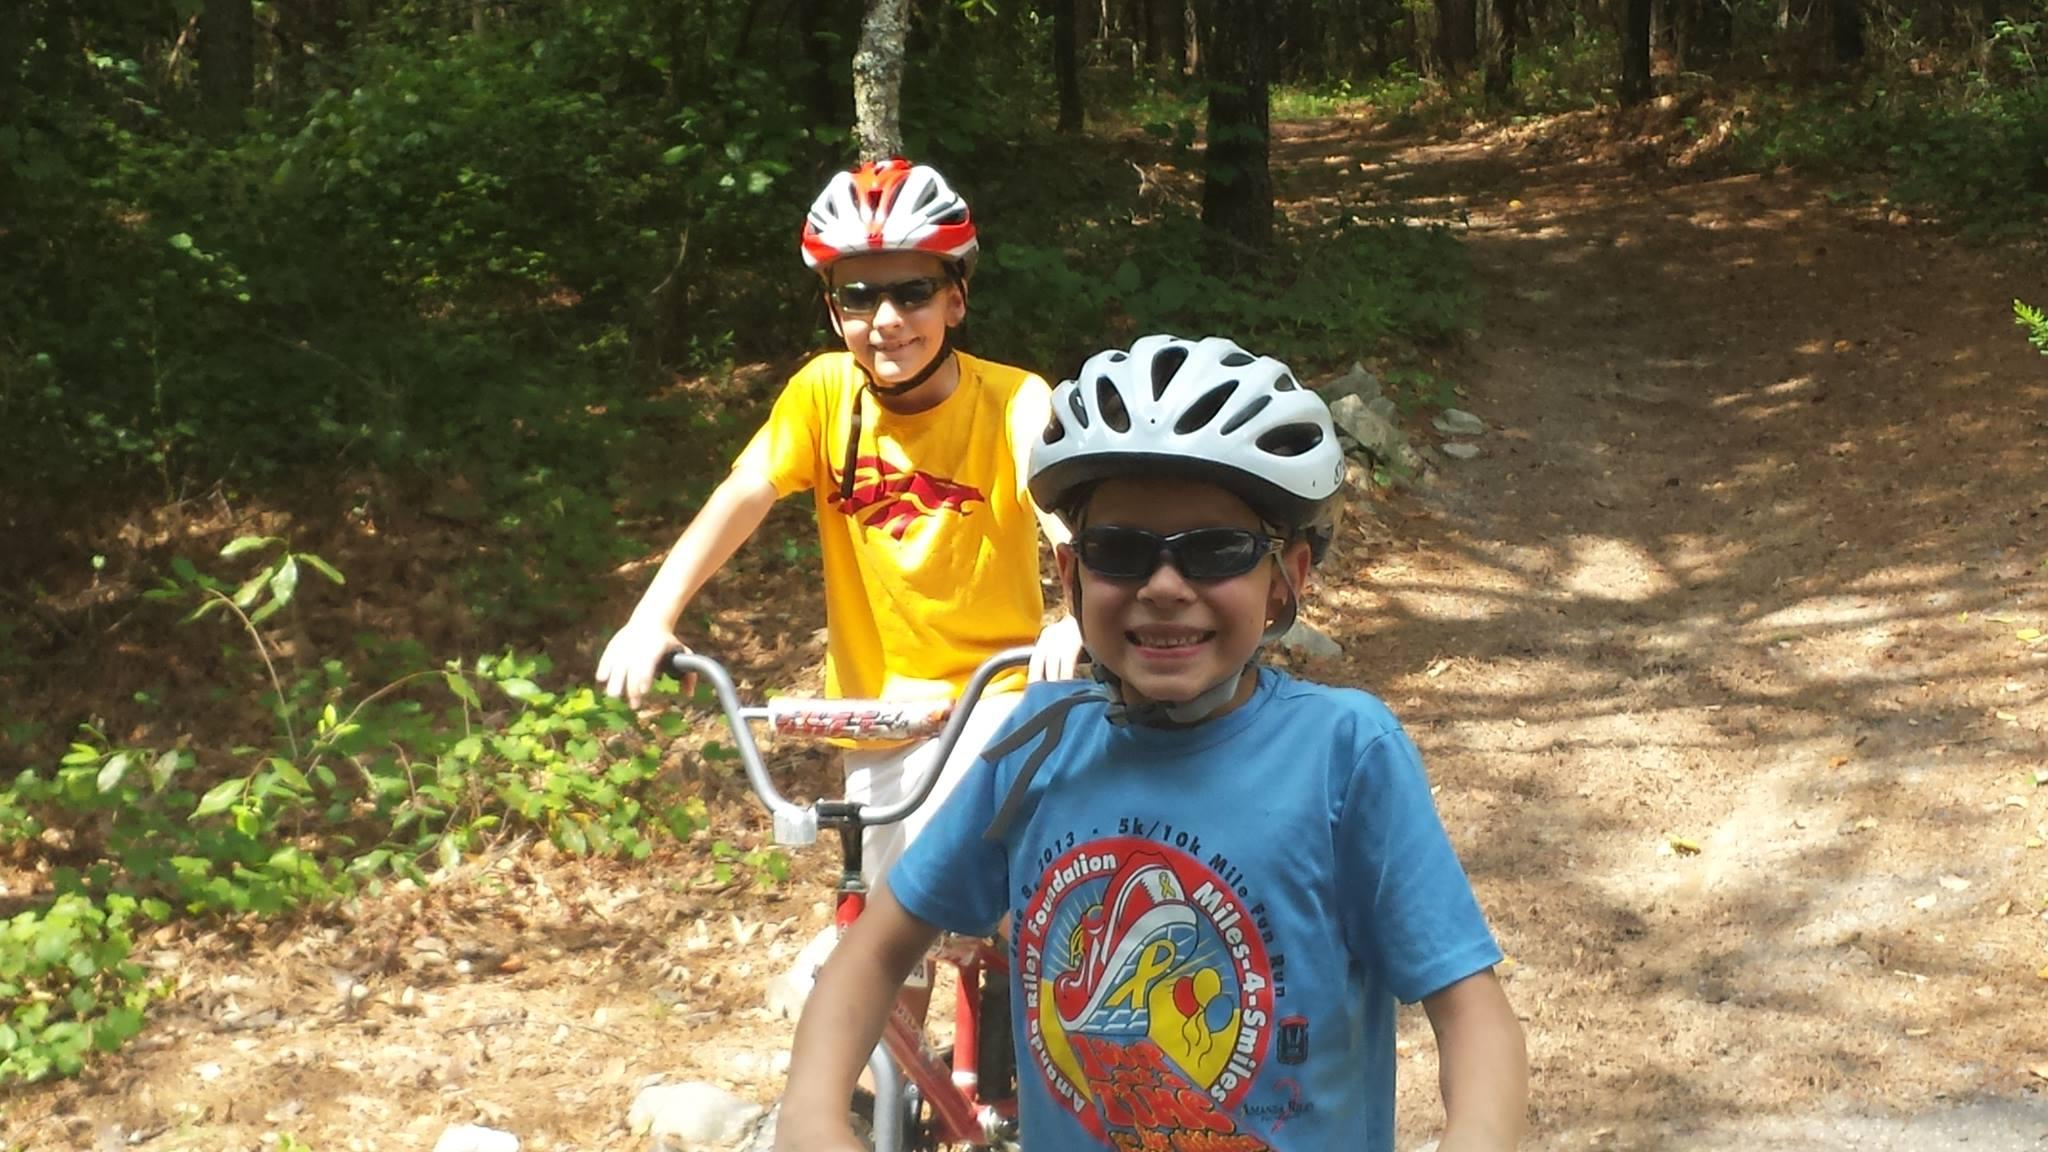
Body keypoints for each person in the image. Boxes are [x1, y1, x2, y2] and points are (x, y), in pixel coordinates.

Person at [776, 335, 1528, 1151]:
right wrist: (812, 1114)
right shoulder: (1034, 744)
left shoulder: (1345, 755)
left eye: (1215, 551)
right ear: (1070, 576)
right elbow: (874, 950)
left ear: (1288, 579)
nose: (1165, 587)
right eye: (1122, 552)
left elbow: (1472, 1012)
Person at [595, 157, 1082, 885]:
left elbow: (1064, 516)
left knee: (971, 892)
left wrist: (1079, 616)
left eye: (914, 293)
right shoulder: (823, 394)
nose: (886, 322)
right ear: (833, 311)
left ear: (956, 300)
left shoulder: (1015, 401)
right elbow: (744, 493)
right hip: (875, 714)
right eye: (859, 297)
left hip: (994, 696)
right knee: (884, 939)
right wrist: (652, 616)